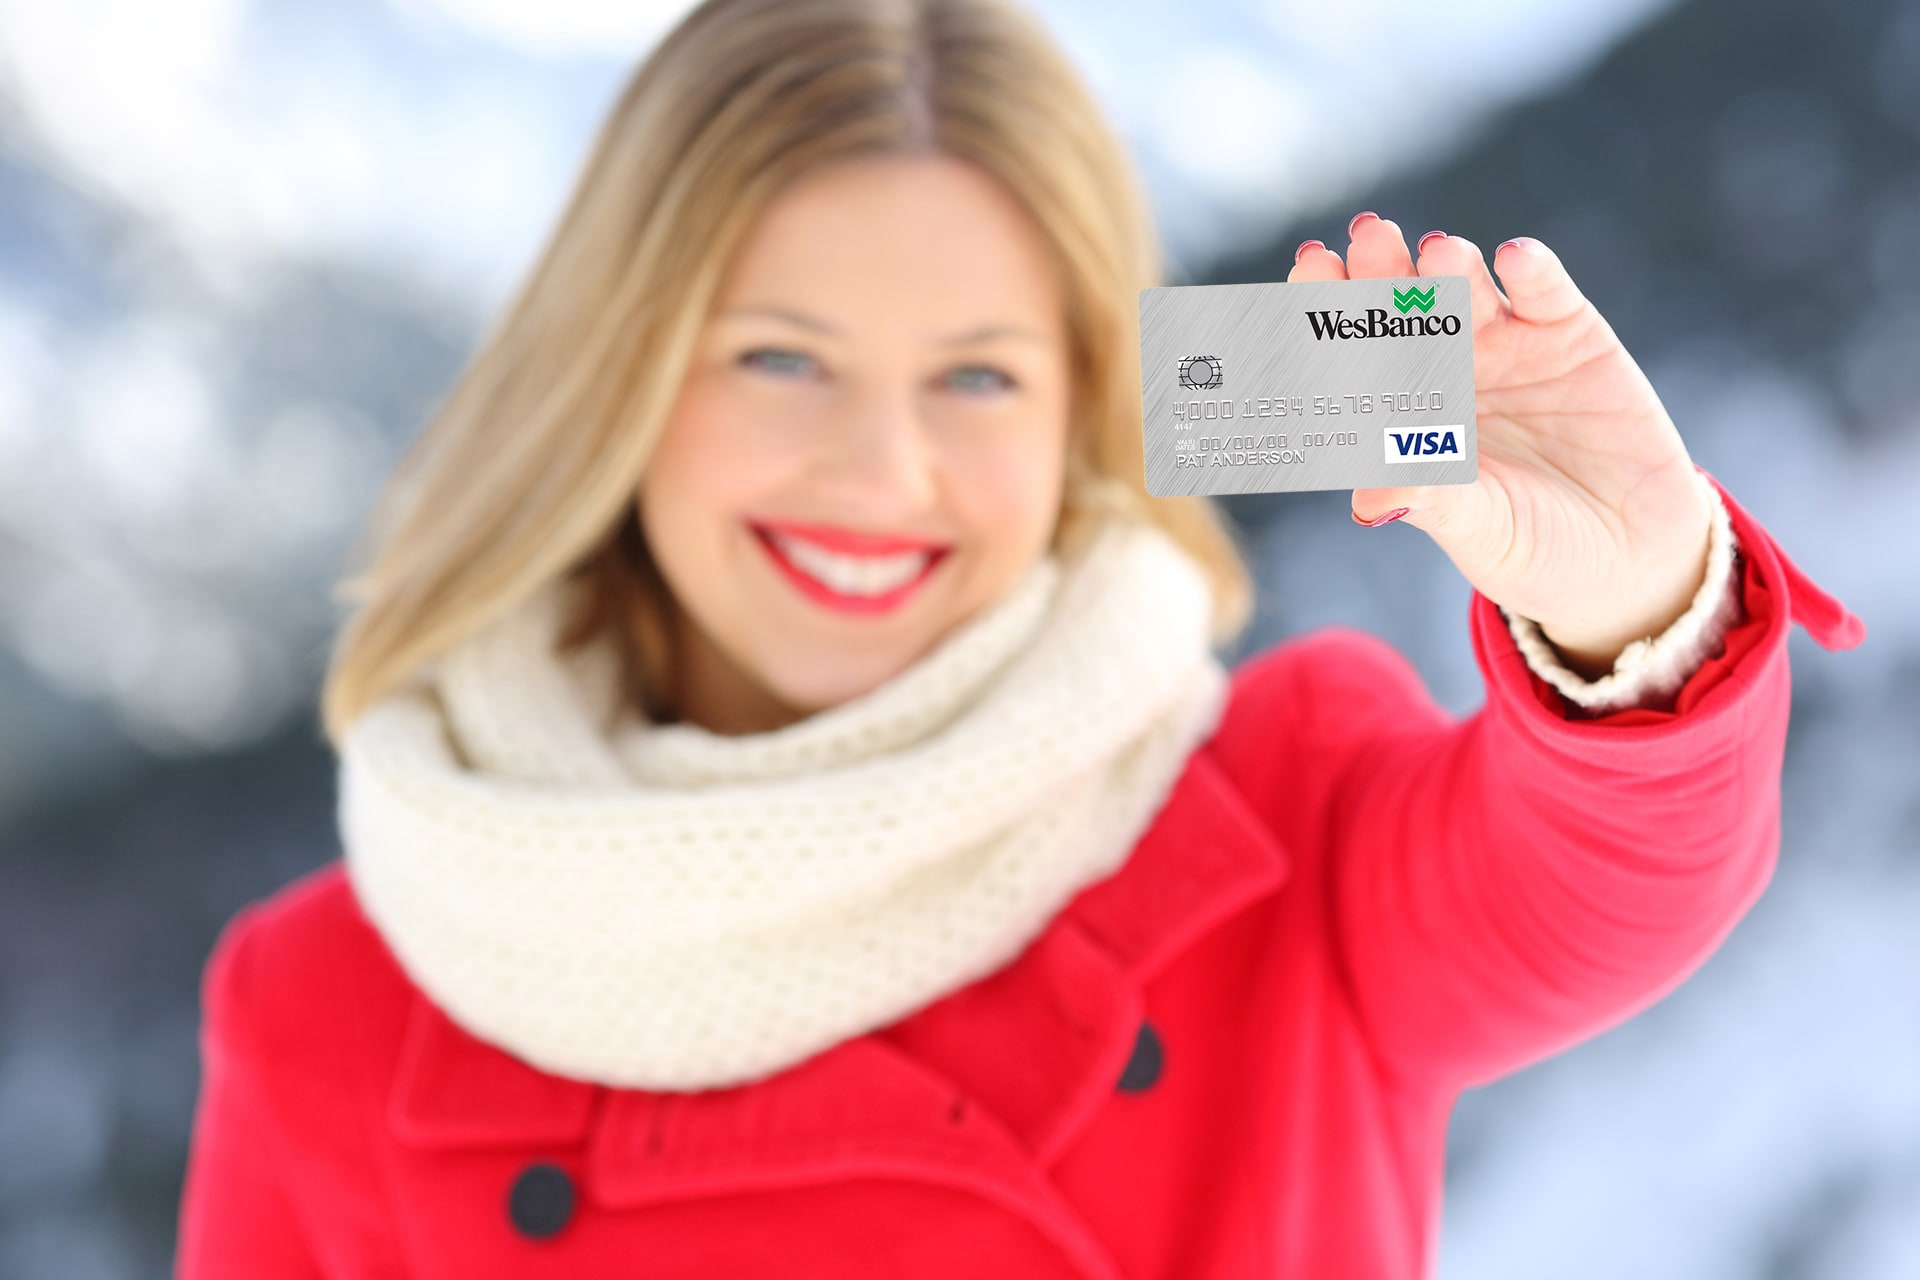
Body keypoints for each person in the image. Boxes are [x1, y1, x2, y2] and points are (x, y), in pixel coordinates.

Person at [173, 0, 1866, 1275]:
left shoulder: (1280, 821)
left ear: (1081, 417)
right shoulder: (327, 1002)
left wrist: (1637, 591)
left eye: (978, 375)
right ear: (616, 377)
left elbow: (1610, 885)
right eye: (779, 357)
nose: (881, 472)